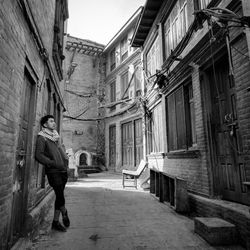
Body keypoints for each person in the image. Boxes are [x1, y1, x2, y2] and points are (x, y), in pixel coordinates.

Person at [35, 115, 70, 232]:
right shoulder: (42, 138)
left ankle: (55, 222)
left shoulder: (55, 136)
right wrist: (52, 162)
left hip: (62, 170)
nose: (54, 123)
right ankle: (64, 212)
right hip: (53, 171)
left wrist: (65, 163)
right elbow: (38, 155)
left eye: (54, 120)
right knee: (60, 195)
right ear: (45, 124)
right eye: (51, 121)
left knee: (59, 197)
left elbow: (61, 150)